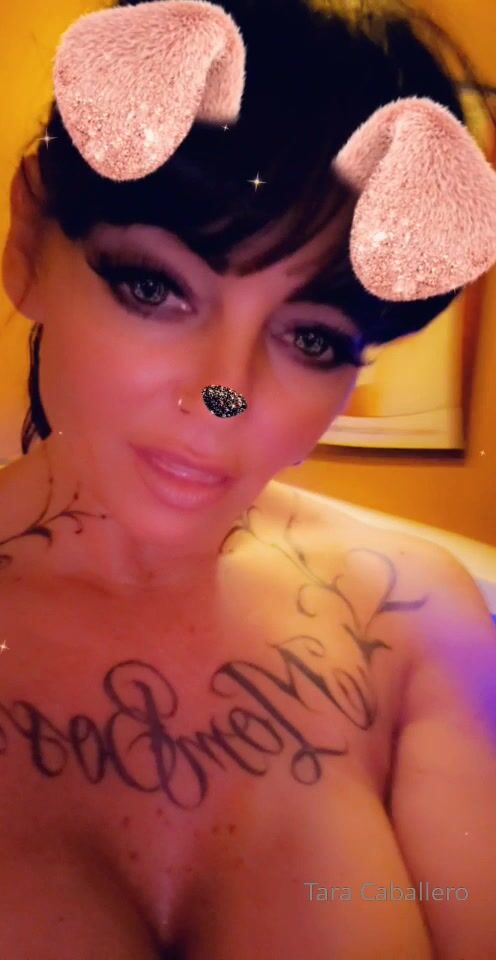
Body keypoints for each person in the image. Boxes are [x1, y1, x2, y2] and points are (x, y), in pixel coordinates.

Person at [0, 0, 495, 957]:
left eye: (311, 338)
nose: (224, 396)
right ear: (28, 246)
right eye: (154, 287)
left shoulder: (419, 620)